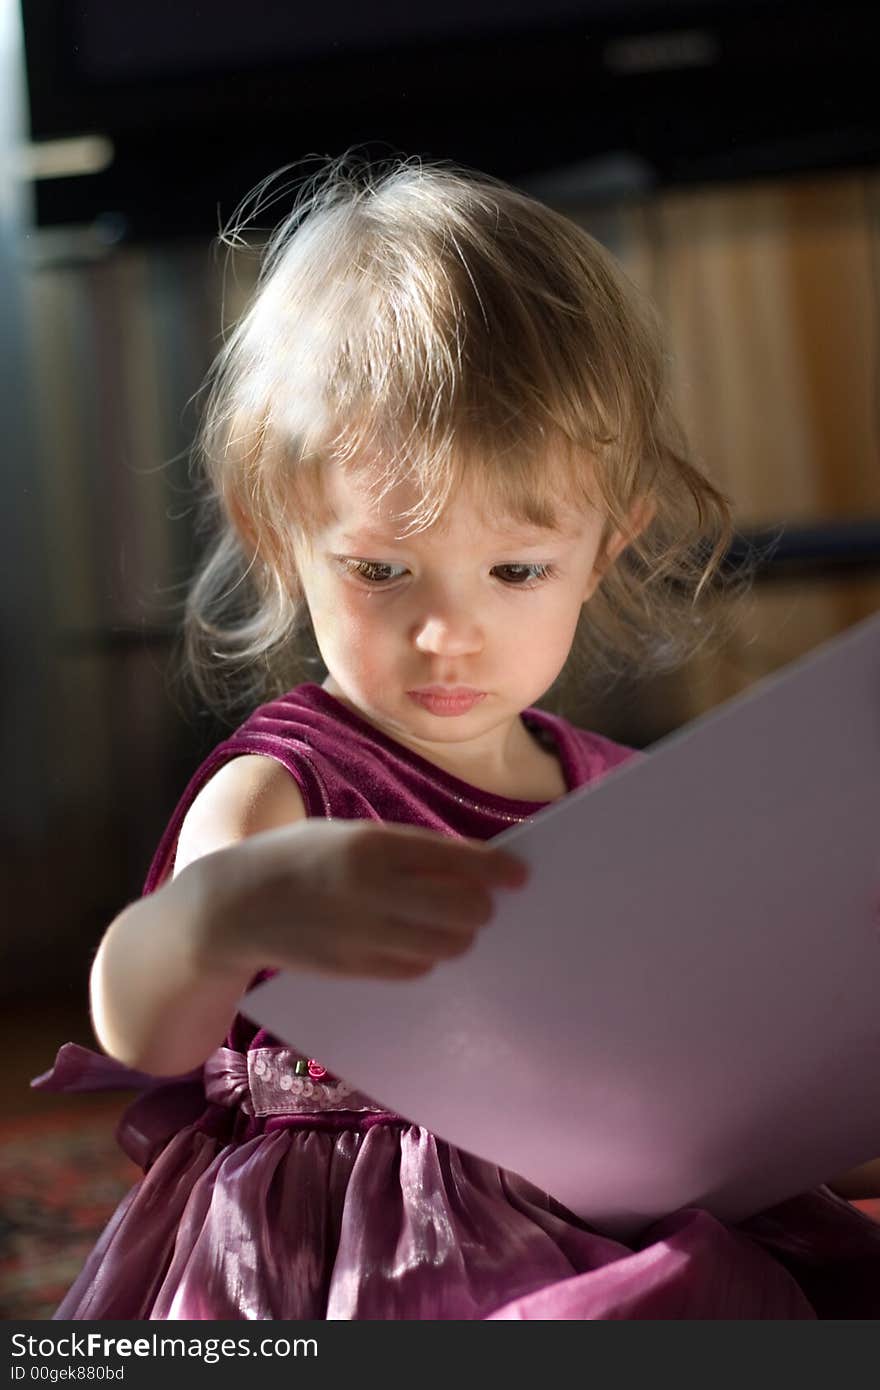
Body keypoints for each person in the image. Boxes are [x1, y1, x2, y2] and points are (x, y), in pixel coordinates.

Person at [36, 155, 880, 1319]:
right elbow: (142, 1023)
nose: (446, 633)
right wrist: (219, 915)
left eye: (517, 570)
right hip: (352, 1248)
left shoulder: (622, 798)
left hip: (597, 1207)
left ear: (607, 541)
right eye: (381, 570)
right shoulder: (281, 793)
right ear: (278, 531)